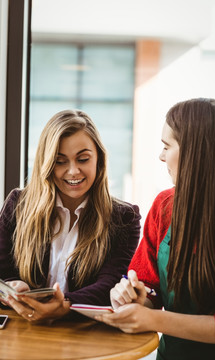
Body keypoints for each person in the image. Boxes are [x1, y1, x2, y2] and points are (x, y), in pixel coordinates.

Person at [96, 98, 215, 359]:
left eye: (166, 146)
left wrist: (154, 320)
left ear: (197, 152)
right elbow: (149, 287)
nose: (161, 156)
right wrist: (136, 298)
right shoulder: (165, 206)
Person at [0, 109, 141, 322]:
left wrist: (64, 304)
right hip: (22, 330)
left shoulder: (124, 218)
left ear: (99, 160)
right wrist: (11, 286)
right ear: (46, 164)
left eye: (83, 159)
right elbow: (3, 269)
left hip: (85, 334)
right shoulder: (18, 205)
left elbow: (110, 286)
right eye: (60, 161)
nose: (73, 171)